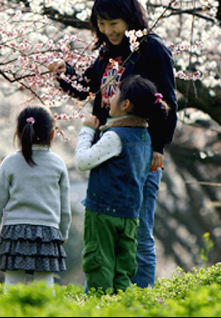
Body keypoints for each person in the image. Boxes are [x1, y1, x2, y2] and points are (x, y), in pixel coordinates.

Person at [48, 0, 177, 288]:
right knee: (106, 223)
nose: (107, 30)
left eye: (113, 23)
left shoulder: (152, 49)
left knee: (138, 229)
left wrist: (158, 146)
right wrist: (64, 72)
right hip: (106, 149)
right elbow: (87, 88)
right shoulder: (107, 52)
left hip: (138, 153)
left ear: (129, 18)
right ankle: (110, 295)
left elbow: (168, 101)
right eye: (101, 24)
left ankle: (140, 295)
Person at [76, 75, 170, 293]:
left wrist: (87, 131)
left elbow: (83, 161)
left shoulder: (115, 136)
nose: (110, 98)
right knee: (123, 272)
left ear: (126, 104)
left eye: (116, 93)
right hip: (129, 216)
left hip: (103, 214)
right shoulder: (146, 136)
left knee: (99, 266)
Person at [0, 105, 71, 291]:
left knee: (12, 285)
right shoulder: (58, 163)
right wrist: (62, 233)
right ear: (52, 135)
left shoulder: (10, 162)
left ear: (18, 132)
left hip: (14, 232)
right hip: (47, 233)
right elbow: (65, 206)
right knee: (45, 285)